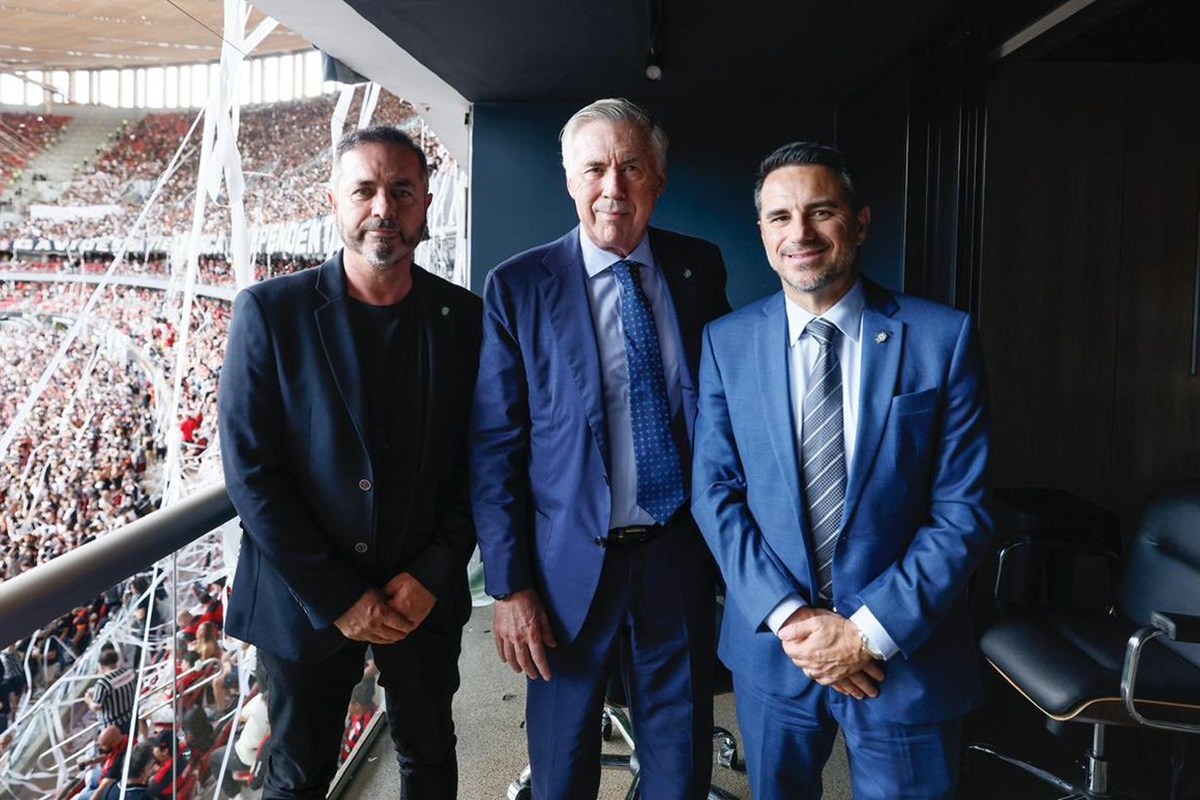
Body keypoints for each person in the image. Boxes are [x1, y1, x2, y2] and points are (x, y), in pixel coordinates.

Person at [690, 141, 994, 799]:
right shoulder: (727, 343)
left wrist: (868, 633)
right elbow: (715, 492)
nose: (798, 233)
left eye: (820, 211)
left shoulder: (943, 339)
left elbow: (962, 508)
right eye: (779, 216)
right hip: (776, 654)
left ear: (859, 222)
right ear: (763, 231)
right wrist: (792, 619)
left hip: (904, 655)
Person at [471, 97, 731, 799]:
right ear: (569, 180)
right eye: (594, 169)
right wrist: (509, 585)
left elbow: (725, 414)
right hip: (562, 573)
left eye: (631, 167)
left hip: (676, 552)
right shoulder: (519, 286)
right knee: (561, 773)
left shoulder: (698, 269)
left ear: (659, 179)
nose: (612, 187)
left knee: (679, 771)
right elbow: (495, 450)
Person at [219, 124, 481, 800]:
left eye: (401, 191)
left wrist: (433, 571)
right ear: (334, 200)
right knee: (298, 776)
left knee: (429, 756)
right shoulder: (269, 313)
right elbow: (252, 473)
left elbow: (478, 464)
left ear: (426, 202)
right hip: (303, 601)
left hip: (420, 595)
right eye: (364, 190)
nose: (383, 209)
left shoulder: (465, 320)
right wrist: (338, 596)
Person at [86, 649, 136, 734]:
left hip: (112, 727)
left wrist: (88, 700)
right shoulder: (130, 672)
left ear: (101, 665)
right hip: (131, 717)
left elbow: (96, 707)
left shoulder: (103, 683)